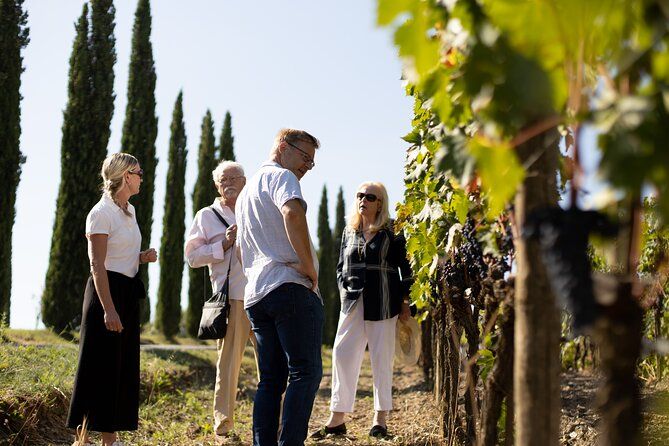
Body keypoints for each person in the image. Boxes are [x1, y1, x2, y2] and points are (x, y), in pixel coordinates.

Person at [235, 128, 324, 446]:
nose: (307, 167)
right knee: (306, 372)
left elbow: (241, 249)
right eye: (305, 157)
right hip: (289, 288)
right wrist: (308, 266)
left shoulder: (245, 194)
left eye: (312, 163)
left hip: (257, 294)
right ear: (284, 147)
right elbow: (292, 211)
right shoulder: (283, 177)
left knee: (270, 380)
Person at [67, 153, 158, 446]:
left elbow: (120, 255)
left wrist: (140, 258)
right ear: (126, 176)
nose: (142, 176)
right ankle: (86, 438)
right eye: (139, 171)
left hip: (127, 291)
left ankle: (110, 438)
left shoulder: (129, 211)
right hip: (105, 294)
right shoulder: (101, 213)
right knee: (99, 366)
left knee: (121, 366)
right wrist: (109, 310)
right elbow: (98, 265)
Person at [312, 181, 412, 440]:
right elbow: (339, 266)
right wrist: (344, 287)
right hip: (352, 301)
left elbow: (406, 270)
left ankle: (380, 418)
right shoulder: (349, 230)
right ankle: (337, 417)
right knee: (342, 353)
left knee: (381, 358)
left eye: (370, 196)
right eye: (360, 195)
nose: (363, 200)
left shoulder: (392, 231)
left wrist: (405, 303)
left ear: (380, 203)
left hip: (384, 300)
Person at [185, 160, 257, 443]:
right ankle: (223, 423)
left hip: (264, 294)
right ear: (216, 185)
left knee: (272, 364)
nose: (228, 182)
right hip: (233, 298)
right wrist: (223, 245)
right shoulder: (206, 215)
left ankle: (275, 422)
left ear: (244, 180)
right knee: (228, 364)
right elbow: (192, 257)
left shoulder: (255, 209)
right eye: (222, 179)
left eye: (233, 177)